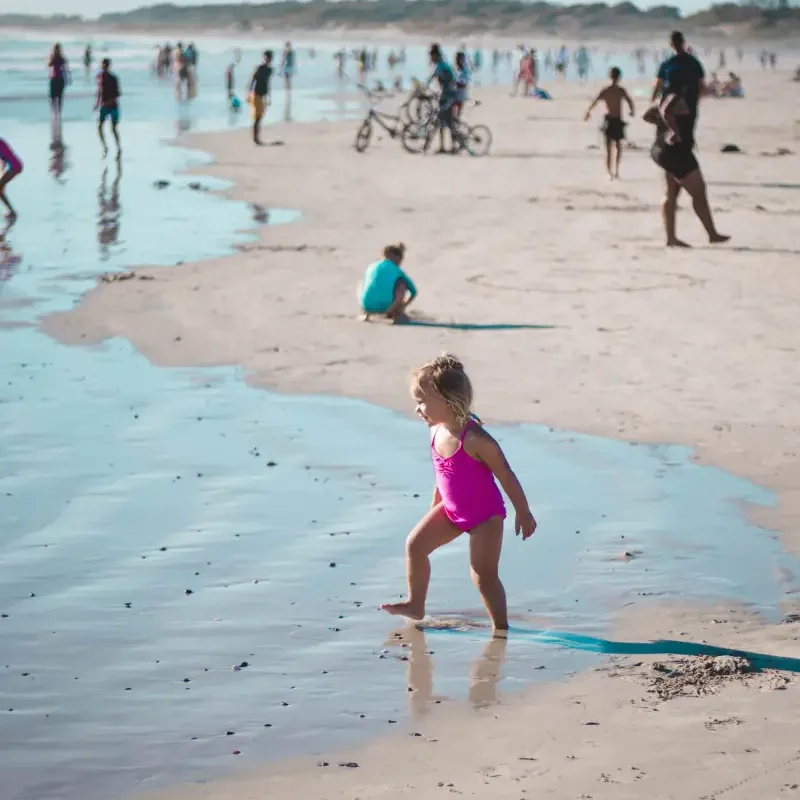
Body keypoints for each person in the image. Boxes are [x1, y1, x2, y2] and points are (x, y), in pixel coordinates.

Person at [381, 355, 537, 632]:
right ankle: (416, 604)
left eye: (422, 401)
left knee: (482, 575)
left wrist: (523, 512)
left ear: (448, 401)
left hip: (485, 517)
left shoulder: (476, 440)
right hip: (452, 511)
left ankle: (500, 629)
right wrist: (435, 506)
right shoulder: (436, 429)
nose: (418, 409)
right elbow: (442, 474)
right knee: (414, 546)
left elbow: (506, 475)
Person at [649, 31, 729, 247]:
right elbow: (667, 108)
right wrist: (674, 129)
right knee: (698, 191)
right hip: (676, 148)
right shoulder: (683, 89)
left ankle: (671, 238)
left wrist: (663, 126)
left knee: (671, 191)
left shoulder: (667, 67)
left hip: (661, 146)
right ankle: (711, 234)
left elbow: (653, 103)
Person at [584, 66, 634, 180]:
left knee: (609, 148)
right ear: (619, 77)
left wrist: (588, 112)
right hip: (616, 120)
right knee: (617, 146)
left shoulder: (606, 90)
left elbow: (595, 101)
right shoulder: (620, 90)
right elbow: (629, 101)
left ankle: (609, 172)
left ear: (610, 76)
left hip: (609, 120)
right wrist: (632, 111)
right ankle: (615, 171)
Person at [359, 243, 417, 323]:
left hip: (366, 306)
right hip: (386, 308)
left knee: (364, 282)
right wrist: (403, 306)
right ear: (398, 258)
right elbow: (414, 292)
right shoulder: (397, 270)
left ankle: (366, 313)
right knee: (401, 283)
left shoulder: (372, 265)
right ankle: (395, 314)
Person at [427, 43, 457, 154]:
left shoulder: (441, 66)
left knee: (449, 123)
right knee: (441, 122)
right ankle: (443, 147)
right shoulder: (442, 65)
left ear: (436, 55)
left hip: (448, 97)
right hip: (444, 95)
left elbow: (432, 78)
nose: (431, 58)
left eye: (431, 56)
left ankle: (453, 146)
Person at [95, 58, 122, 159]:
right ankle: (104, 146)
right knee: (99, 127)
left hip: (112, 106)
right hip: (103, 105)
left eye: (105, 65)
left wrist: (110, 101)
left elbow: (117, 93)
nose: (104, 67)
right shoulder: (99, 77)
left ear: (108, 66)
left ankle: (118, 147)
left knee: (113, 128)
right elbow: (99, 91)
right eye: (103, 65)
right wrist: (97, 103)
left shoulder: (113, 78)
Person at [249, 50, 273, 145]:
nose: (267, 59)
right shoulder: (260, 68)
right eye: (266, 57)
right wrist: (249, 92)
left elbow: (268, 83)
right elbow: (253, 80)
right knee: (257, 117)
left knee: (260, 116)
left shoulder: (269, 70)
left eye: (269, 58)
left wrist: (268, 96)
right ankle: (256, 138)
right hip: (256, 94)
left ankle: (257, 138)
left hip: (263, 95)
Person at [47, 43, 70, 129]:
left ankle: (59, 113)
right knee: (52, 97)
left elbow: (66, 69)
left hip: (60, 79)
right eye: (55, 48)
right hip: (53, 78)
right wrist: (51, 58)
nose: (56, 50)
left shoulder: (62, 58)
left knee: (60, 97)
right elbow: (49, 65)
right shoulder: (52, 57)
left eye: (57, 48)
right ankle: (53, 112)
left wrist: (67, 79)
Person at [0, 138, 23, 221]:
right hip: (14, 166)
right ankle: (12, 212)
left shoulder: (1, 143)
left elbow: (5, 154)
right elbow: (4, 158)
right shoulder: (1, 142)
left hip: (15, 166)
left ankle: (12, 212)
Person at [453, 51, 471, 120]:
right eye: (455, 59)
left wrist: (453, 83)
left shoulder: (464, 70)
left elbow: (463, 84)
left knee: (456, 115)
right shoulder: (457, 69)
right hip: (456, 95)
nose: (456, 60)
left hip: (460, 96)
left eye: (457, 59)